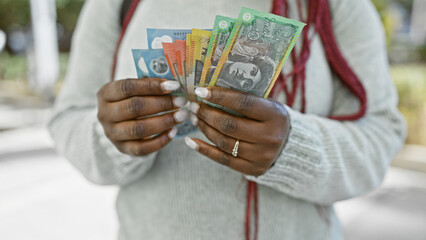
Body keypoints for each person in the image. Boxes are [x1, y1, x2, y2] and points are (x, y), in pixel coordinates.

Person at [48, 0, 407, 239]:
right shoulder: (116, 4)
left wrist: (294, 147)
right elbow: (68, 119)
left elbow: (380, 135)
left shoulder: (333, 6)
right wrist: (113, 137)